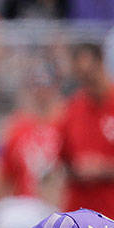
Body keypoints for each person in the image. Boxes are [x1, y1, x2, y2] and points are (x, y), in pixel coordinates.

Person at [56, 43, 114, 218]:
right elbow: (62, 162)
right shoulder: (73, 109)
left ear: (101, 64)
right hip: (80, 214)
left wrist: (103, 168)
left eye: (90, 73)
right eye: (82, 76)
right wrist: (76, 169)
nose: (88, 80)